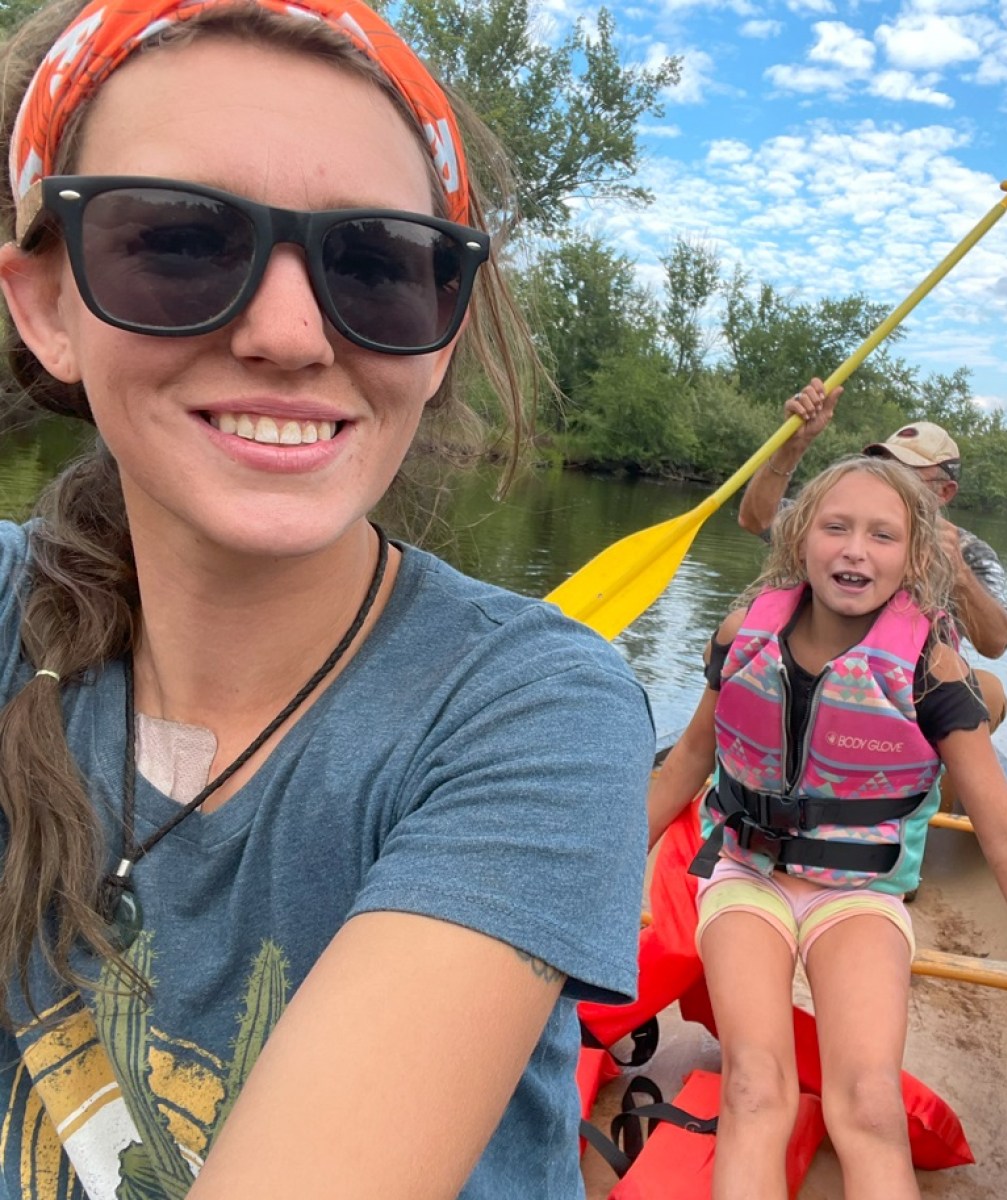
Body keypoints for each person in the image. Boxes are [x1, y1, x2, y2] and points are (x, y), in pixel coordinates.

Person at [0, 2, 656, 1198]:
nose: (292, 334)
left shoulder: (534, 712)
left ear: (442, 336)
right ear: (46, 306)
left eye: (376, 265)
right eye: (178, 244)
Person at [647, 455, 1007, 1200]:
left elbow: (1005, 835)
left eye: (882, 535)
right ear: (800, 539)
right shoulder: (741, 635)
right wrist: (585, 887)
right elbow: (682, 770)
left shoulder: (934, 671)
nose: (856, 550)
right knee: (754, 1088)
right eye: (836, 527)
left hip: (859, 893)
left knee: (871, 1106)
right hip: (746, 877)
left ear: (915, 557)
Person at [739, 383, 1007, 743]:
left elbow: (995, 643)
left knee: (988, 693)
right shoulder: (836, 525)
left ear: (945, 492)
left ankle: (942, 777)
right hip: (820, 672)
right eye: (882, 468)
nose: (889, 482)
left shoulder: (968, 552)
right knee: (729, 645)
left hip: (908, 692)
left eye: (907, 474)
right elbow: (756, 518)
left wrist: (958, 573)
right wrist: (793, 445)